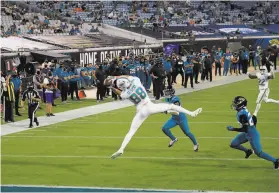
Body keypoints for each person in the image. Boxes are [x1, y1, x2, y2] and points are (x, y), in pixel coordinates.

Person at [103, 75, 202, 159]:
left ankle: (121, 149)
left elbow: (120, 93)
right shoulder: (136, 80)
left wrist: (111, 87)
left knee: (131, 132)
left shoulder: (125, 93)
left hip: (141, 111)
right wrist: (117, 77)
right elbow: (127, 77)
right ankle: (191, 113)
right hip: (149, 106)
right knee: (172, 106)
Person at [227, 96, 278, 169]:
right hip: (248, 132)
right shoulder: (243, 111)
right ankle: (248, 151)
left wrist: (233, 129)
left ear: (241, 105)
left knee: (259, 153)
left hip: (251, 134)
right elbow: (254, 119)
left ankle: (276, 161)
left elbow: (245, 129)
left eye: (236, 103)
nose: (234, 105)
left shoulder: (242, 114)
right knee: (233, 144)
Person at [162, 86, 199, 151]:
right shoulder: (167, 99)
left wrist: (167, 111)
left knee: (187, 133)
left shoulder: (176, 99)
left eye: (167, 92)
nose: (166, 93)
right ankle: (173, 139)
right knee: (164, 128)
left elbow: (177, 112)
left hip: (181, 119)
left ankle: (195, 144)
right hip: (174, 119)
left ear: (171, 92)